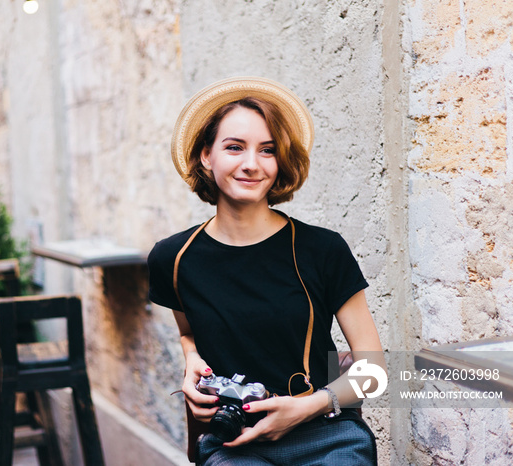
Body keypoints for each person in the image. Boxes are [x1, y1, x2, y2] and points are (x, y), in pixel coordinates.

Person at [147, 77, 384, 465]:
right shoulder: (173, 258)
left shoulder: (322, 249)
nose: (251, 164)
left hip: (326, 434)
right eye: (234, 147)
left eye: (268, 150)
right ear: (206, 155)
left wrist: (308, 406)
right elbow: (190, 330)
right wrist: (190, 358)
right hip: (235, 444)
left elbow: (374, 371)